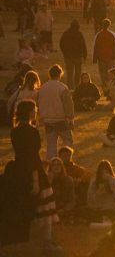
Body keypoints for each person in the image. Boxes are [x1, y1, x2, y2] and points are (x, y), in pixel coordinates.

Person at [2, 100, 59, 250]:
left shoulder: (15, 130)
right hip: (31, 170)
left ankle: (37, 238)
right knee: (46, 202)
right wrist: (35, 179)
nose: (36, 112)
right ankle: (46, 241)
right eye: (34, 110)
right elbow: (31, 156)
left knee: (28, 205)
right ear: (28, 112)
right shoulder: (31, 131)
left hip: (18, 170)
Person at [37, 64, 75, 160]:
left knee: (51, 144)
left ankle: (51, 162)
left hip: (47, 119)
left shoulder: (42, 88)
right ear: (60, 74)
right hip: (61, 119)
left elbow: (39, 103)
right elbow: (68, 105)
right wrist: (70, 118)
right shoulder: (62, 87)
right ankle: (65, 159)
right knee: (67, 139)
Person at [93, 18, 115, 87]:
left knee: (103, 73)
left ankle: (105, 86)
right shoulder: (113, 34)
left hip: (101, 57)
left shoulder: (98, 35)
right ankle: (111, 86)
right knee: (111, 73)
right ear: (109, 25)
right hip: (110, 57)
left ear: (102, 25)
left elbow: (95, 46)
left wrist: (95, 58)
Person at [59, 19, 87, 88]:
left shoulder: (66, 33)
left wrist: (65, 52)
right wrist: (84, 55)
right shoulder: (79, 34)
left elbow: (61, 44)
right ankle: (76, 85)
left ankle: (70, 86)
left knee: (70, 73)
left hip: (68, 56)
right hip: (77, 56)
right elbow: (83, 45)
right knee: (78, 72)